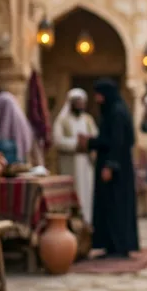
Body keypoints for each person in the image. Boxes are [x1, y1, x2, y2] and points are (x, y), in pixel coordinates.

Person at [83, 79, 139, 258]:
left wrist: (110, 165)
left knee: (116, 206)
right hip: (116, 166)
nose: (97, 99)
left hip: (116, 169)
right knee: (109, 205)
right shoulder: (114, 111)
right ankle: (111, 246)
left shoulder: (117, 112)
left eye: (99, 95)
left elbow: (117, 142)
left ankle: (119, 245)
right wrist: (92, 143)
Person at [53, 88, 98, 224]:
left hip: (86, 163)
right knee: (72, 193)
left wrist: (88, 144)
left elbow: (95, 136)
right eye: (77, 102)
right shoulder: (62, 120)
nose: (80, 105)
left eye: (82, 103)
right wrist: (77, 144)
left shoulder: (88, 120)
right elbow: (58, 141)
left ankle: (87, 222)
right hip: (70, 162)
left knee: (87, 192)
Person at [0, 91, 36, 165]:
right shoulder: (15, 112)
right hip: (19, 155)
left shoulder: (7, 113)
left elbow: (1, 135)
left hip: (12, 157)